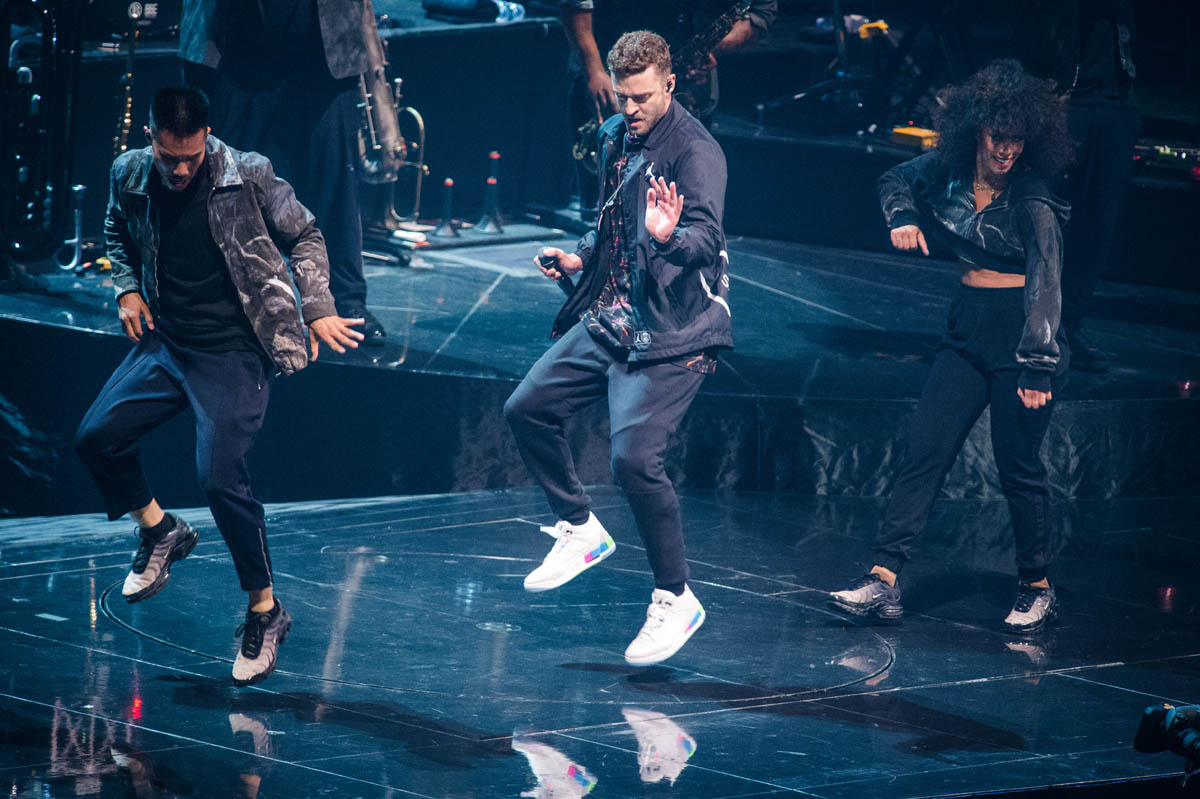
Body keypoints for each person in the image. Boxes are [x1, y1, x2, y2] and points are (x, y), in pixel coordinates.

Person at [74, 86, 364, 686]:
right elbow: (115, 229)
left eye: (190, 157)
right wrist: (126, 288)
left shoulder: (248, 174)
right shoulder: (129, 172)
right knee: (97, 436)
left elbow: (305, 234)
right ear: (151, 138)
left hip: (235, 348)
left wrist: (317, 307)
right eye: (168, 157)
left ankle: (265, 610)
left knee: (219, 478)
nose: (180, 170)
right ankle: (161, 532)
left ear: (206, 137)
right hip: (168, 341)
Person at [504, 30, 731, 666]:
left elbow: (706, 238)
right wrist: (580, 256)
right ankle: (579, 527)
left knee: (633, 460)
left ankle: (675, 597)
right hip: (615, 312)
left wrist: (667, 235)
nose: (629, 109)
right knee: (527, 409)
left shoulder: (695, 150)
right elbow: (609, 219)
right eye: (622, 97)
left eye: (641, 98)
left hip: (676, 328)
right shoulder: (613, 136)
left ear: (669, 85)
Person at [827, 59, 1075, 634]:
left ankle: (1036, 586)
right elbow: (894, 180)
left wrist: (1038, 366)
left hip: (1022, 335)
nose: (1007, 149)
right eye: (998, 135)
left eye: (1018, 138)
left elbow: (1047, 281)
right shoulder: (949, 170)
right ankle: (883, 578)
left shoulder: (1032, 199)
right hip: (967, 327)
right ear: (976, 130)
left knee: (1017, 467)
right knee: (925, 452)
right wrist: (902, 218)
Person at [179, 0, 387, 344]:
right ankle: (221, 299)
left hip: (320, 44)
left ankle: (343, 302)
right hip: (236, 40)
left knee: (334, 181)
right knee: (227, 179)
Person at [562, 0, 776, 219]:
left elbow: (761, 11)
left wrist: (711, 49)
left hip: (684, 86)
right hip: (610, 72)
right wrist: (594, 71)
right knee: (605, 215)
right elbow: (576, 4)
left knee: (679, 211)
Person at [1019, 0, 1139, 372]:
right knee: (1043, 216)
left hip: (1116, 104)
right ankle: (1028, 323)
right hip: (1065, 99)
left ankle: (1069, 324)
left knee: (1099, 223)